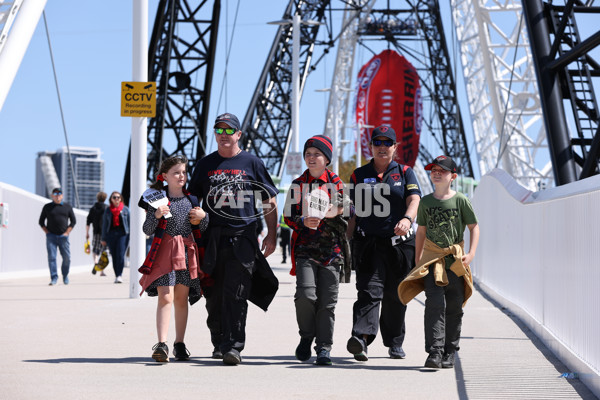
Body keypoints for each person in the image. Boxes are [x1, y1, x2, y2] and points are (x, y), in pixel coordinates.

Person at [188, 112, 279, 366]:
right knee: (214, 295)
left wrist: (272, 235)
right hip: (212, 238)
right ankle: (218, 340)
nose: (224, 135)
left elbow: (269, 199)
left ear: (238, 135)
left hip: (243, 238)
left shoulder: (252, 162)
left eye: (230, 131)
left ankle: (233, 346)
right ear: (215, 134)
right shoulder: (205, 165)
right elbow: (192, 197)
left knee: (237, 294)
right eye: (220, 130)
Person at [345, 125, 421, 361]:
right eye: (377, 143)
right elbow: (352, 210)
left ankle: (394, 342)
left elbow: (414, 199)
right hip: (369, 244)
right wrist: (345, 242)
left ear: (395, 147)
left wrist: (408, 219)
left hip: (399, 245)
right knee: (368, 291)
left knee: (395, 295)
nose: (382, 147)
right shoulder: (358, 175)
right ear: (371, 147)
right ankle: (361, 338)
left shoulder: (405, 172)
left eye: (387, 143)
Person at [398, 155, 479, 369]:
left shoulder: (461, 200)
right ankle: (434, 351)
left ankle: (450, 351)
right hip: (432, 260)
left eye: (441, 170)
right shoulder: (425, 202)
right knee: (434, 306)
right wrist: (418, 260)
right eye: (433, 169)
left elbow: (474, 227)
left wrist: (470, 254)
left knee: (454, 307)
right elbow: (421, 232)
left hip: (456, 262)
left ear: (453, 176)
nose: (436, 173)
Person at [284, 135, 352, 366]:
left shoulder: (336, 183)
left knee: (327, 304)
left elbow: (350, 207)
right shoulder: (297, 184)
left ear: (327, 159)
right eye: (308, 154)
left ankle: (324, 348)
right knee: (305, 296)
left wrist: (336, 210)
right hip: (305, 251)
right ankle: (306, 337)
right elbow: (287, 216)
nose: (311, 158)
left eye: (317, 154)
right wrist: (302, 220)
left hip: (332, 252)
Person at [139, 155, 207, 363]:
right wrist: (157, 215)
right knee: (165, 297)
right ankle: (162, 344)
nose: (181, 176)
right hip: (163, 252)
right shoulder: (157, 201)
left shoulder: (192, 200)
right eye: (176, 172)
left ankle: (179, 343)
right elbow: (147, 230)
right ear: (164, 177)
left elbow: (201, 229)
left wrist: (203, 217)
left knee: (180, 299)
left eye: (184, 172)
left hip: (186, 254)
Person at [39, 187, 76, 285]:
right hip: (51, 237)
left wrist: (67, 232)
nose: (57, 195)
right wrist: (47, 232)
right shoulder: (47, 207)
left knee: (67, 257)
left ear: (62, 195)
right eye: (55, 194)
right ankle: (54, 278)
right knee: (52, 257)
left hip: (64, 237)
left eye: (59, 193)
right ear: (52, 196)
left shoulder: (67, 207)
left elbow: (73, 221)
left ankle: (65, 275)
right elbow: (41, 221)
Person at [101, 191, 130, 283]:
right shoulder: (108, 210)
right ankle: (116, 274)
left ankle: (120, 275)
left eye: (118, 197)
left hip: (123, 234)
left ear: (121, 199)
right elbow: (104, 225)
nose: (116, 199)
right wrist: (103, 238)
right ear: (111, 199)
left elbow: (130, 223)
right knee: (114, 256)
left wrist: (131, 236)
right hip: (111, 234)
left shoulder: (125, 209)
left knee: (120, 255)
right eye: (114, 197)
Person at [86, 191, 108, 276]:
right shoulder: (106, 208)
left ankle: (95, 262)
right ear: (105, 198)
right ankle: (102, 271)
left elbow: (88, 221)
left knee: (95, 249)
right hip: (104, 233)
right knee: (104, 251)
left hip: (96, 232)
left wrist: (87, 233)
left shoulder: (93, 208)